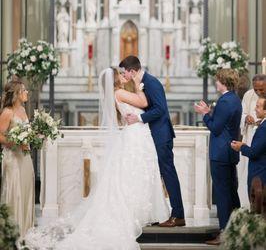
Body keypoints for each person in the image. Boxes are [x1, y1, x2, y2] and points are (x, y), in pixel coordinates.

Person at [25, 67, 169, 250]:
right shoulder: (121, 92)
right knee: (134, 174)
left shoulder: (118, 93)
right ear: (115, 80)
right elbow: (144, 102)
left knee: (135, 175)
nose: (124, 75)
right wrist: (138, 83)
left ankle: (139, 212)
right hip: (135, 137)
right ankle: (133, 213)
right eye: (121, 74)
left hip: (137, 135)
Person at [119, 55, 185, 228]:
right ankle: (162, 212)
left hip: (161, 135)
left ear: (132, 71)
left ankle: (178, 215)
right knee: (160, 174)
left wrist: (139, 118)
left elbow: (160, 110)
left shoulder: (151, 83)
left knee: (168, 173)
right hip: (153, 136)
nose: (123, 75)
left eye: (124, 72)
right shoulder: (140, 84)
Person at [194, 68, 242, 246]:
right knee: (230, 192)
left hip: (220, 153)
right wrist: (209, 111)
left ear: (223, 82)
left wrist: (205, 114)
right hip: (229, 152)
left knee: (222, 195)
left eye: (217, 80)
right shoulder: (234, 99)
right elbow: (224, 122)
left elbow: (215, 127)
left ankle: (224, 233)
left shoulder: (224, 101)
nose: (216, 83)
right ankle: (236, 230)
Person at [0, 77, 35, 239]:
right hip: (13, 158)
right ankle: (13, 234)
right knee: (16, 192)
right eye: (24, 90)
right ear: (17, 94)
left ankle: (26, 231)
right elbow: (0, 136)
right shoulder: (7, 112)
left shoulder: (22, 110)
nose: (27, 92)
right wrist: (15, 143)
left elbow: (26, 132)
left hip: (25, 157)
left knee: (26, 190)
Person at [238, 74, 266, 207]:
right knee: (248, 172)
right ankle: (247, 203)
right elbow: (241, 114)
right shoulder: (248, 95)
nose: (259, 92)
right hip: (250, 136)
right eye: (256, 89)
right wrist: (245, 118)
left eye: (262, 89)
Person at [231, 97, 266, 196]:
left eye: (258, 107)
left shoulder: (264, 128)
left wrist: (241, 147)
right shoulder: (262, 124)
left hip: (260, 176)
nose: (255, 109)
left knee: (257, 209)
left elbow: (253, 153)